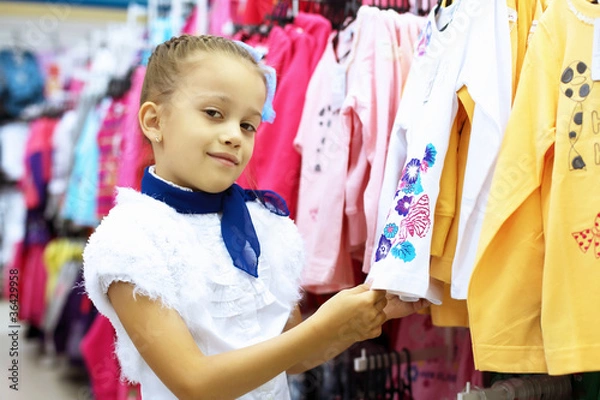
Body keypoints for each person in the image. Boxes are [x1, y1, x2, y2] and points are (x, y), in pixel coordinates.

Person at [83, 34, 429, 400]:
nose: (234, 135)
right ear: (154, 121)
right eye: (214, 114)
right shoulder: (130, 240)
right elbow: (193, 382)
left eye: (248, 124)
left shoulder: (267, 225)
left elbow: (290, 356)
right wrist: (327, 325)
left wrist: (360, 316)